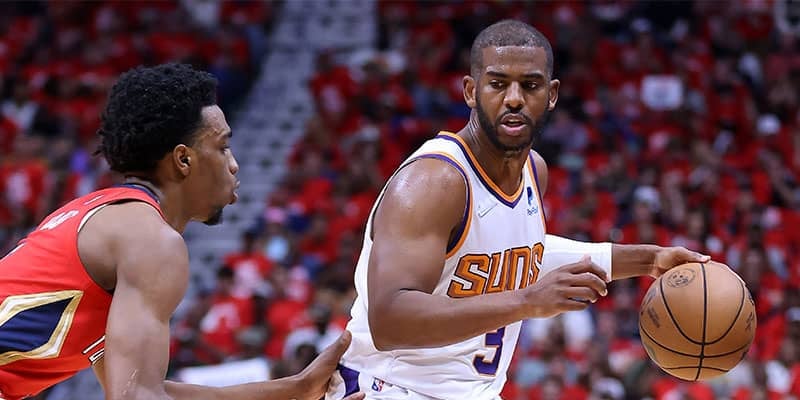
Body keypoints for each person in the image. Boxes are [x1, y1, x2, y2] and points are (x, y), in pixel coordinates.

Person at [326, 20, 709, 400]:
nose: (513, 98)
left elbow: (523, 254)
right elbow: (390, 321)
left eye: (530, 85)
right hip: (388, 388)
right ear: (471, 91)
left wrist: (649, 260)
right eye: (497, 84)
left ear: (552, 94)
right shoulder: (434, 181)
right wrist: (528, 302)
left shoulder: (532, 171)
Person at [0, 63, 364, 400]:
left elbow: (141, 390)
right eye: (223, 147)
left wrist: (295, 390)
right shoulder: (150, 240)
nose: (234, 165)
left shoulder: (104, 216)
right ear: (183, 159)